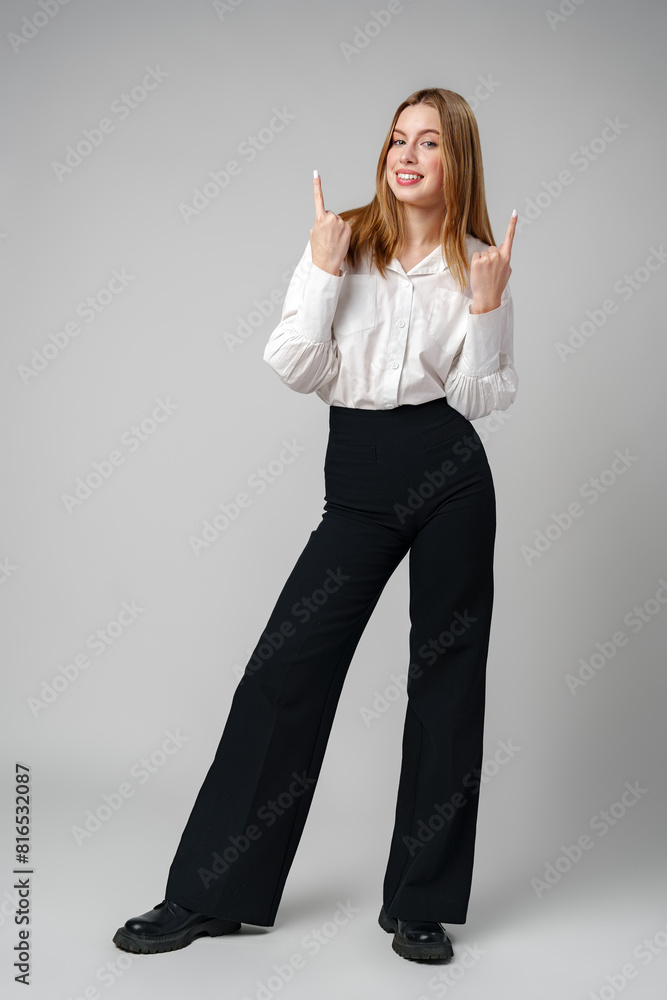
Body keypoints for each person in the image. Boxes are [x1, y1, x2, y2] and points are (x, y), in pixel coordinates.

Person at [113, 86, 518, 963]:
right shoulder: (342, 240)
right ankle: (209, 894)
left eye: (429, 143)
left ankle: (420, 904)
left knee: (447, 684)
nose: (406, 155)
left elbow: (481, 396)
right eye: (397, 139)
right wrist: (325, 270)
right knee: (284, 674)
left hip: (450, 473)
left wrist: (487, 308)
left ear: (457, 160)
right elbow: (294, 363)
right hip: (360, 480)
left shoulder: (477, 262)